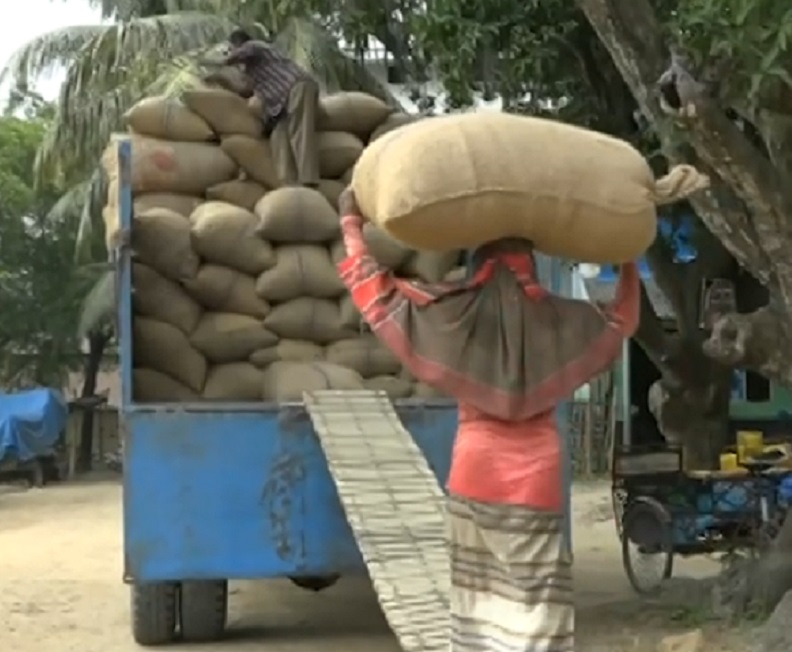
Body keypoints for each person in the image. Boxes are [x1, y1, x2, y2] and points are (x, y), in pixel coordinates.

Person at [336, 189, 640, 651]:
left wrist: (351, 226)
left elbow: (375, 294)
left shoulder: (453, 314)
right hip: (538, 476)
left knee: (479, 604)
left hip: (476, 472)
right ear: (533, 268)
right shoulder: (560, 319)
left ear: (478, 267)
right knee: (536, 602)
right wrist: (630, 257)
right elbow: (623, 319)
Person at [222, 29, 320, 187]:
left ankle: (308, 180)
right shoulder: (253, 69)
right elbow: (243, 89)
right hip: (280, 105)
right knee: (278, 136)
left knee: (300, 130)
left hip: (297, 86)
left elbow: (240, 54)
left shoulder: (256, 46)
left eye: (232, 48)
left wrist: (221, 60)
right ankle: (288, 183)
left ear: (237, 45)